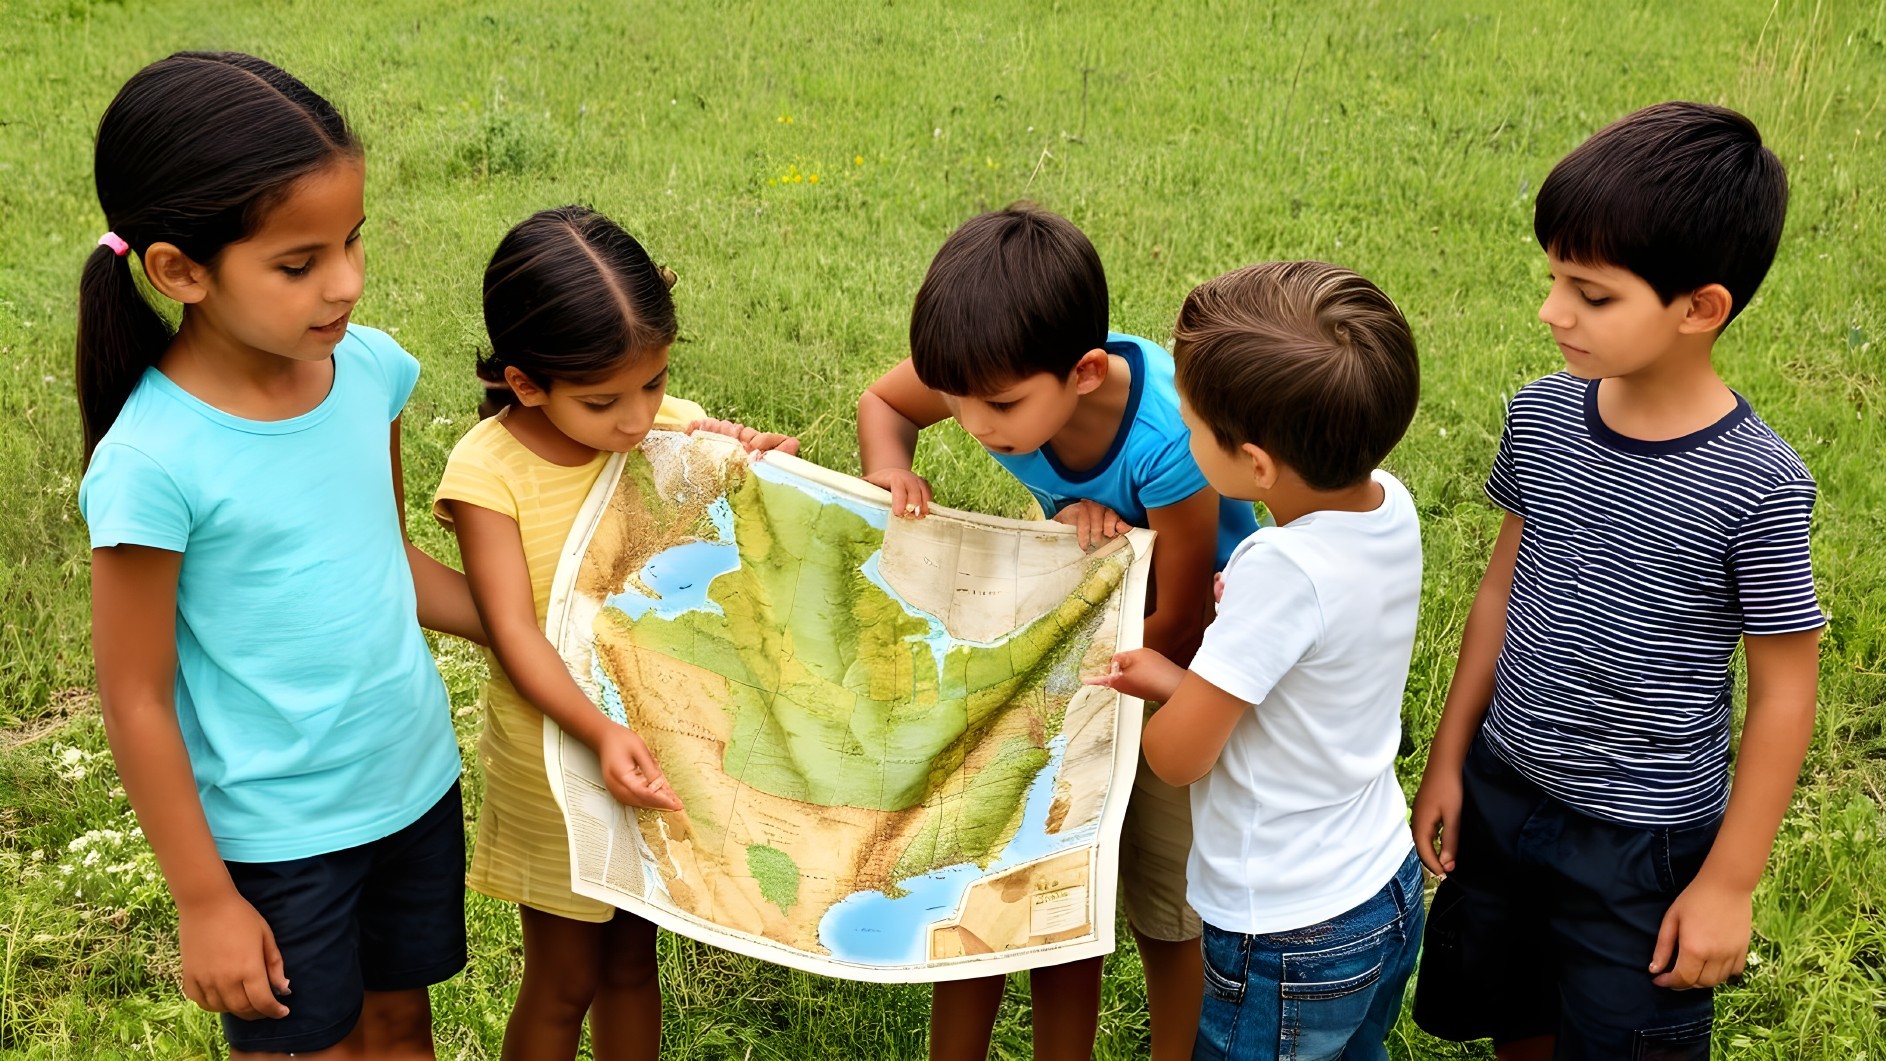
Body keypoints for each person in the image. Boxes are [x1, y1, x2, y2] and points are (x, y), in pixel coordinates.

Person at [77, 52, 483, 1060]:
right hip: (275, 840)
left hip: (413, 781)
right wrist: (206, 897)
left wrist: (541, 625)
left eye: (350, 241)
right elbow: (134, 692)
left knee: (399, 1025)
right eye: (299, 263)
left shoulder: (365, 372)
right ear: (179, 270)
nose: (345, 282)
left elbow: (387, 556)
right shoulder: (152, 462)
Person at [1410, 102, 1825, 1060]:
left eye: (1591, 294)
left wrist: (1729, 881)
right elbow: (1501, 591)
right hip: (1507, 788)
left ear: (1700, 307)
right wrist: (1448, 757)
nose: (1553, 311)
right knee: (1514, 1010)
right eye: (1554, 278)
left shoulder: (1760, 483)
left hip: (1641, 845)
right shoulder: (1544, 415)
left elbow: (1785, 690)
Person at [858, 203, 1258, 1061]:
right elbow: (884, 404)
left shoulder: (1165, 441)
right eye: (956, 401)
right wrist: (891, 469)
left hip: (1185, 662)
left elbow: (1182, 617)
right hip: (1087, 629)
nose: (971, 424)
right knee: (1035, 868)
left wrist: (1053, 683)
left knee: (1165, 899)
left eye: (996, 407)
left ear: (1082, 373)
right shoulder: (988, 371)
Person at [434, 205, 796, 1061]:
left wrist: (757, 473)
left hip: (654, 744)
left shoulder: (669, 432)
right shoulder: (488, 471)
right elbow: (513, 631)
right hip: (557, 760)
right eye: (603, 400)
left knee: (636, 962)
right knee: (564, 980)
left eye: (655, 383)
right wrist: (598, 731)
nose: (637, 417)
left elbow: (719, 558)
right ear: (524, 383)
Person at [1089, 260, 1425, 1061]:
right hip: (1384, 884)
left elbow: (1178, 756)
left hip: (1285, 929)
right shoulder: (1390, 503)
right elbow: (1297, 685)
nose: (1181, 430)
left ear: (1256, 465)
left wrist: (1165, 704)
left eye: (1192, 423)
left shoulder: (1278, 573)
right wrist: (1188, 677)